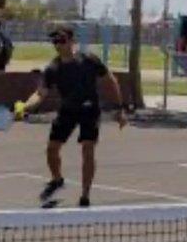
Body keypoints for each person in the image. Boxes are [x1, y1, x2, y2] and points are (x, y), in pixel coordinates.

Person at [18, 25, 127, 207]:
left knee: (87, 149)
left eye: (61, 40)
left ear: (71, 41)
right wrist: (26, 106)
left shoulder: (89, 60)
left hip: (89, 109)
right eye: (55, 42)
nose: (58, 45)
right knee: (52, 149)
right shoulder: (53, 68)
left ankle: (85, 196)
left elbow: (111, 80)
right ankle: (57, 179)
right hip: (67, 110)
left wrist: (119, 109)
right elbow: (40, 93)